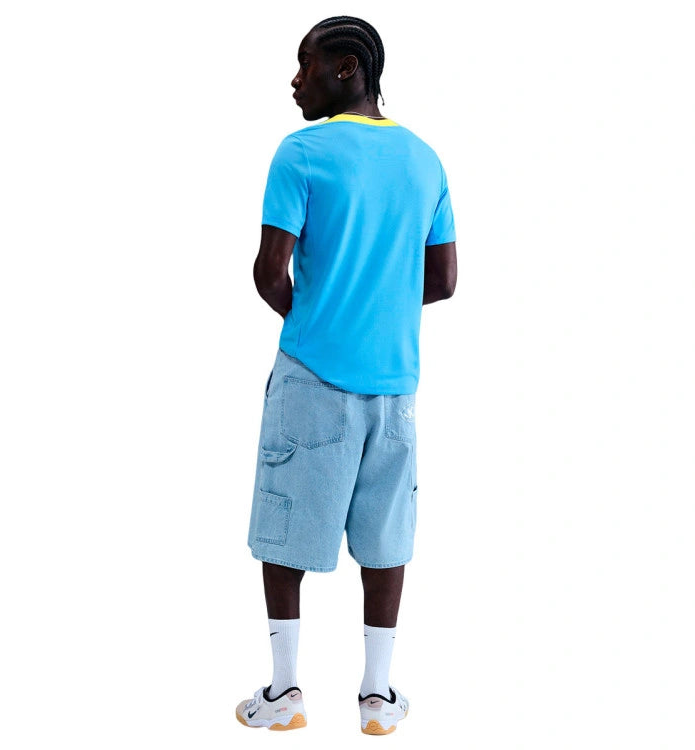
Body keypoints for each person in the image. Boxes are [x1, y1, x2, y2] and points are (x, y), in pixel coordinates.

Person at [235, 16, 457, 735]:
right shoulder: (425, 161)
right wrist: (375, 306)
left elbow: (269, 272)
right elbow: (443, 280)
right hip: (396, 386)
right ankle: (377, 697)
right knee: (387, 537)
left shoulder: (301, 153)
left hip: (312, 376)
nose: (295, 79)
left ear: (348, 69)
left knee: (284, 529)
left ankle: (284, 692)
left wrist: (322, 317)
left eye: (307, 63)